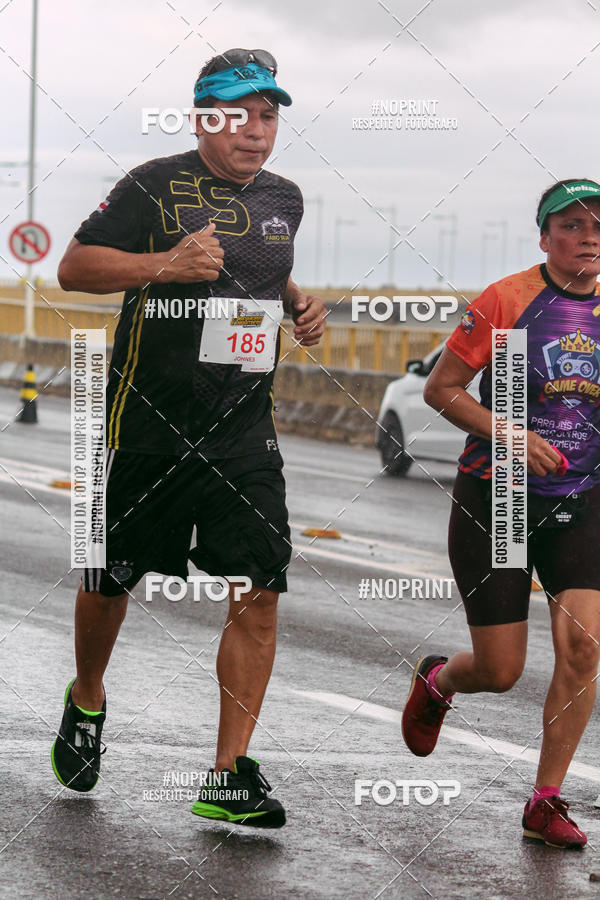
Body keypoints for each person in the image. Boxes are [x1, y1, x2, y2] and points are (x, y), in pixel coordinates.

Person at [52, 48, 326, 828]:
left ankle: (228, 773)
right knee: (113, 581)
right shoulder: (152, 183)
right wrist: (164, 264)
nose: (255, 130)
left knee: (262, 588)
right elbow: (75, 268)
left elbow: (261, 267)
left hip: (243, 427)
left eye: (268, 114)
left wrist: (301, 304)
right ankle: (87, 696)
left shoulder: (286, 197)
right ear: (204, 117)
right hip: (150, 421)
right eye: (238, 114)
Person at [402, 178, 600, 849]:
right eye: (572, 225)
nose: (589, 236)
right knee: (501, 669)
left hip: (582, 498)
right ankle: (440, 679)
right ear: (544, 236)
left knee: (584, 645)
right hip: (500, 497)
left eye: (599, 224)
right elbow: (441, 389)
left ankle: (546, 800)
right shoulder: (508, 300)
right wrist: (512, 435)